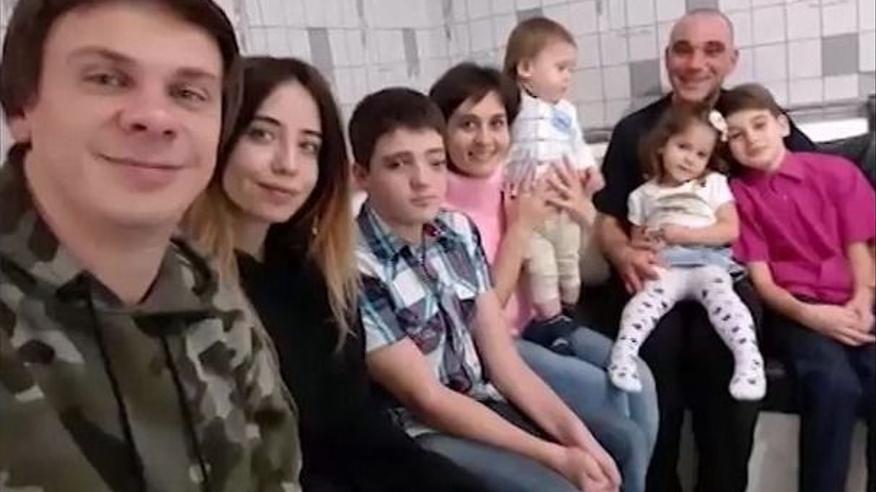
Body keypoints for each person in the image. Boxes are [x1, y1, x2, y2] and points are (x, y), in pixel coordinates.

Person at [0, 1, 301, 491]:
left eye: (188, 93)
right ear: (21, 108)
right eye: (106, 79)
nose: (156, 118)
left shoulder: (212, 299)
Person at [183, 55, 488, 492]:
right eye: (262, 134)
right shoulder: (185, 286)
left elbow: (357, 426)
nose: (288, 164)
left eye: (308, 145)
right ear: (219, 136)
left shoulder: (316, 270)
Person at [350, 87, 621, 492]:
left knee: (616, 444)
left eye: (435, 162)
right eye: (398, 164)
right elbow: (427, 399)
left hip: (482, 396)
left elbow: (503, 360)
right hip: (423, 430)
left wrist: (580, 443)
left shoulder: (456, 231)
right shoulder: (356, 266)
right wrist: (556, 456)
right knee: (560, 486)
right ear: (361, 176)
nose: (422, 180)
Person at [592, 8, 815, 492]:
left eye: (712, 51)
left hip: (729, 273)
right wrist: (623, 253)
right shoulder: (634, 131)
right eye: (683, 50)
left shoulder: (749, 119)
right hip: (655, 270)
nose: (695, 63)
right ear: (667, 58)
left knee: (726, 349)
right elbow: (607, 218)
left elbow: (812, 182)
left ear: (733, 60)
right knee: (654, 351)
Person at [430, 62, 657, 492]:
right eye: (467, 124)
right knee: (611, 395)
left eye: (496, 123)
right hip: (497, 345)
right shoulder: (437, 205)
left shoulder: (517, 176)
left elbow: (589, 267)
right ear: (441, 131)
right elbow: (481, 317)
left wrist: (583, 206)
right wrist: (521, 228)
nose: (484, 139)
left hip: (543, 322)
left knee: (639, 378)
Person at [716, 83, 875, 492]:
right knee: (834, 385)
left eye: (759, 125)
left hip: (856, 297)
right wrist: (814, 317)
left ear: (782, 125)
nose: (752, 139)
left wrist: (863, 298)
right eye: (737, 134)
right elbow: (763, 283)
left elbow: (860, 248)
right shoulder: (737, 198)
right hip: (795, 310)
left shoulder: (837, 173)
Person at [607, 103, 764, 401]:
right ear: (662, 145)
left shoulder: (712, 184)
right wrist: (645, 245)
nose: (690, 159)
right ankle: (624, 356)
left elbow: (729, 229)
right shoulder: (642, 195)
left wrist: (685, 235)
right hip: (666, 265)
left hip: (707, 262)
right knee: (643, 305)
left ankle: (748, 361)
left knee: (726, 302)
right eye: (683, 147)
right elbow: (637, 240)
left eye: (701, 154)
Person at [501, 17, 603, 330]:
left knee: (568, 264)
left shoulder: (566, 111)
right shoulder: (513, 105)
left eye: (571, 69)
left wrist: (590, 170)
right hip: (530, 204)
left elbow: (578, 145)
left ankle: (570, 312)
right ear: (525, 68)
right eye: (561, 68)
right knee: (542, 268)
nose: (568, 77)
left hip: (562, 205)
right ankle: (552, 322)